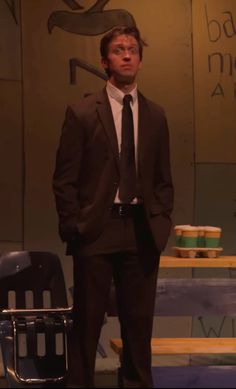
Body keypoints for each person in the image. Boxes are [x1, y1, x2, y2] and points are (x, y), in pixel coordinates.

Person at [53, 25, 174, 388]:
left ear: (139, 59)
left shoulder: (156, 115)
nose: (127, 54)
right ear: (105, 61)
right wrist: (75, 227)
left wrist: (161, 222)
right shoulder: (83, 112)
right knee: (87, 324)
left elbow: (163, 179)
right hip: (97, 229)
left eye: (133, 49)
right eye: (119, 49)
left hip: (141, 230)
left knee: (138, 325)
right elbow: (64, 179)